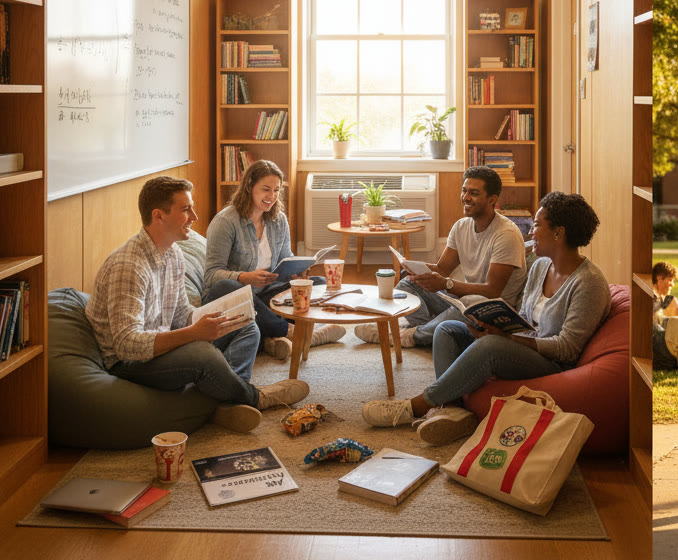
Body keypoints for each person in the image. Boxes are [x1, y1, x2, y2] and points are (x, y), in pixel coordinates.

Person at [359, 192, 610, 445]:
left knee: (491, 346)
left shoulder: (588, 282)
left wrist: (509, 340)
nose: (530, 232)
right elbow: (525, 317)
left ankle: (417, 406)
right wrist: (496, 326)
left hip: (553, 364)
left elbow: (567, 348)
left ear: (558, 233)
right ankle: (453, 411)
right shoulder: (541, 266)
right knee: (448, 329)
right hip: (523, 345)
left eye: (536, 225)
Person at [85, 176, 309, 433]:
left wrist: (213, 319)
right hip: (129, 364)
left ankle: (226, 403)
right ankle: (255, 397)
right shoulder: (129, 266)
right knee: (203, 356)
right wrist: (194, 334)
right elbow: (126, 345)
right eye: (186, 209)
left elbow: (181, 312)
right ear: (159, 216)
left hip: (162, 343)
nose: (195, 216)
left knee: (246, 326)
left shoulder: (173, 254)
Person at [355, 166, 527, 349]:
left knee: (468, 303)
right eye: (464, 190)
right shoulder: (461, 227)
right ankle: (426, 331)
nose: (466, 197)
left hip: (496, 313)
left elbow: (492, 290)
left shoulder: (506, 234)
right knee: (408, 284)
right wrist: (414, 268)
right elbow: (442, 269)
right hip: (466, 302)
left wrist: (447, 284)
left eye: (474, 193)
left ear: (492, 199)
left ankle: (411, 336)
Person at [203, 160, 340, 361]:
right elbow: (211, 275)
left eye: (276, 190)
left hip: (268, 294)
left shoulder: (278, 219)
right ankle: (293, 333)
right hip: (237, 296)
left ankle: (270, 341)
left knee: (318, 283)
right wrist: (245, 277)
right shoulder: (226, 222)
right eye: (266, 189)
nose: (272, 196)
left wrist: (297, 272)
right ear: (249, 187)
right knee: (230, 288)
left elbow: (286, 258)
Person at [652, 261, 678, 371]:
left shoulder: (663, 298)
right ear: (659, 278)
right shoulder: (651, 297)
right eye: (670, 280)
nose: (672, 284)